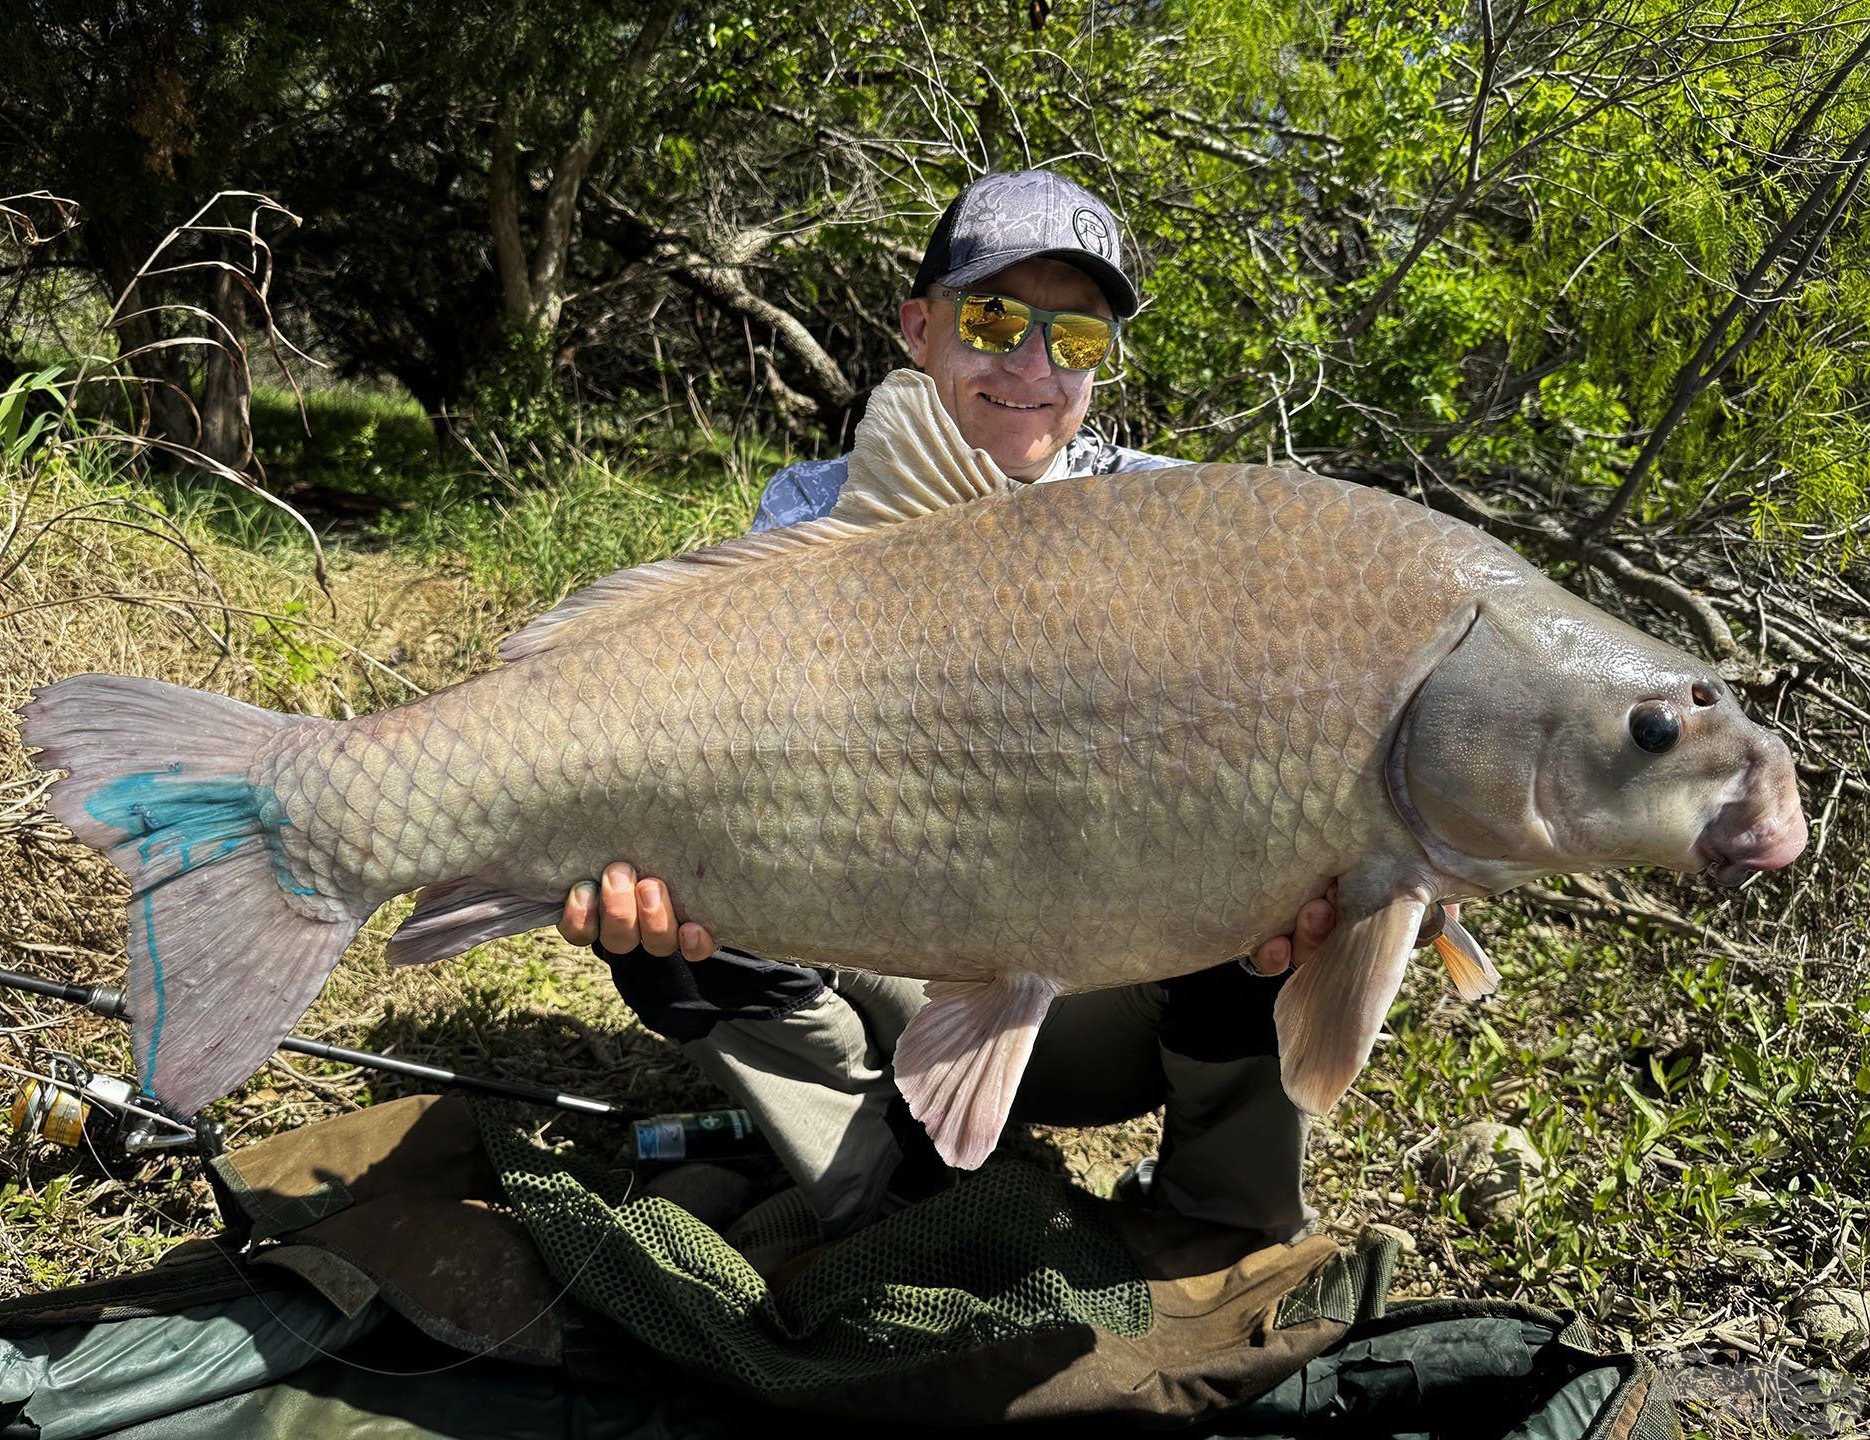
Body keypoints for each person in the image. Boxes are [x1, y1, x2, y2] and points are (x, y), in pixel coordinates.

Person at [556, 170, 1413, 1246]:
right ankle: (881, 1177)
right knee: (658, 896)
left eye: (1077, 341)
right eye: (996, 319)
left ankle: (1219, 1228)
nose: (1032, 367)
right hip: (884, 957)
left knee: (1300, 873)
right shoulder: (813, 512)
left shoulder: (1183, 521)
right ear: (920, 328)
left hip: (1108, 1000)